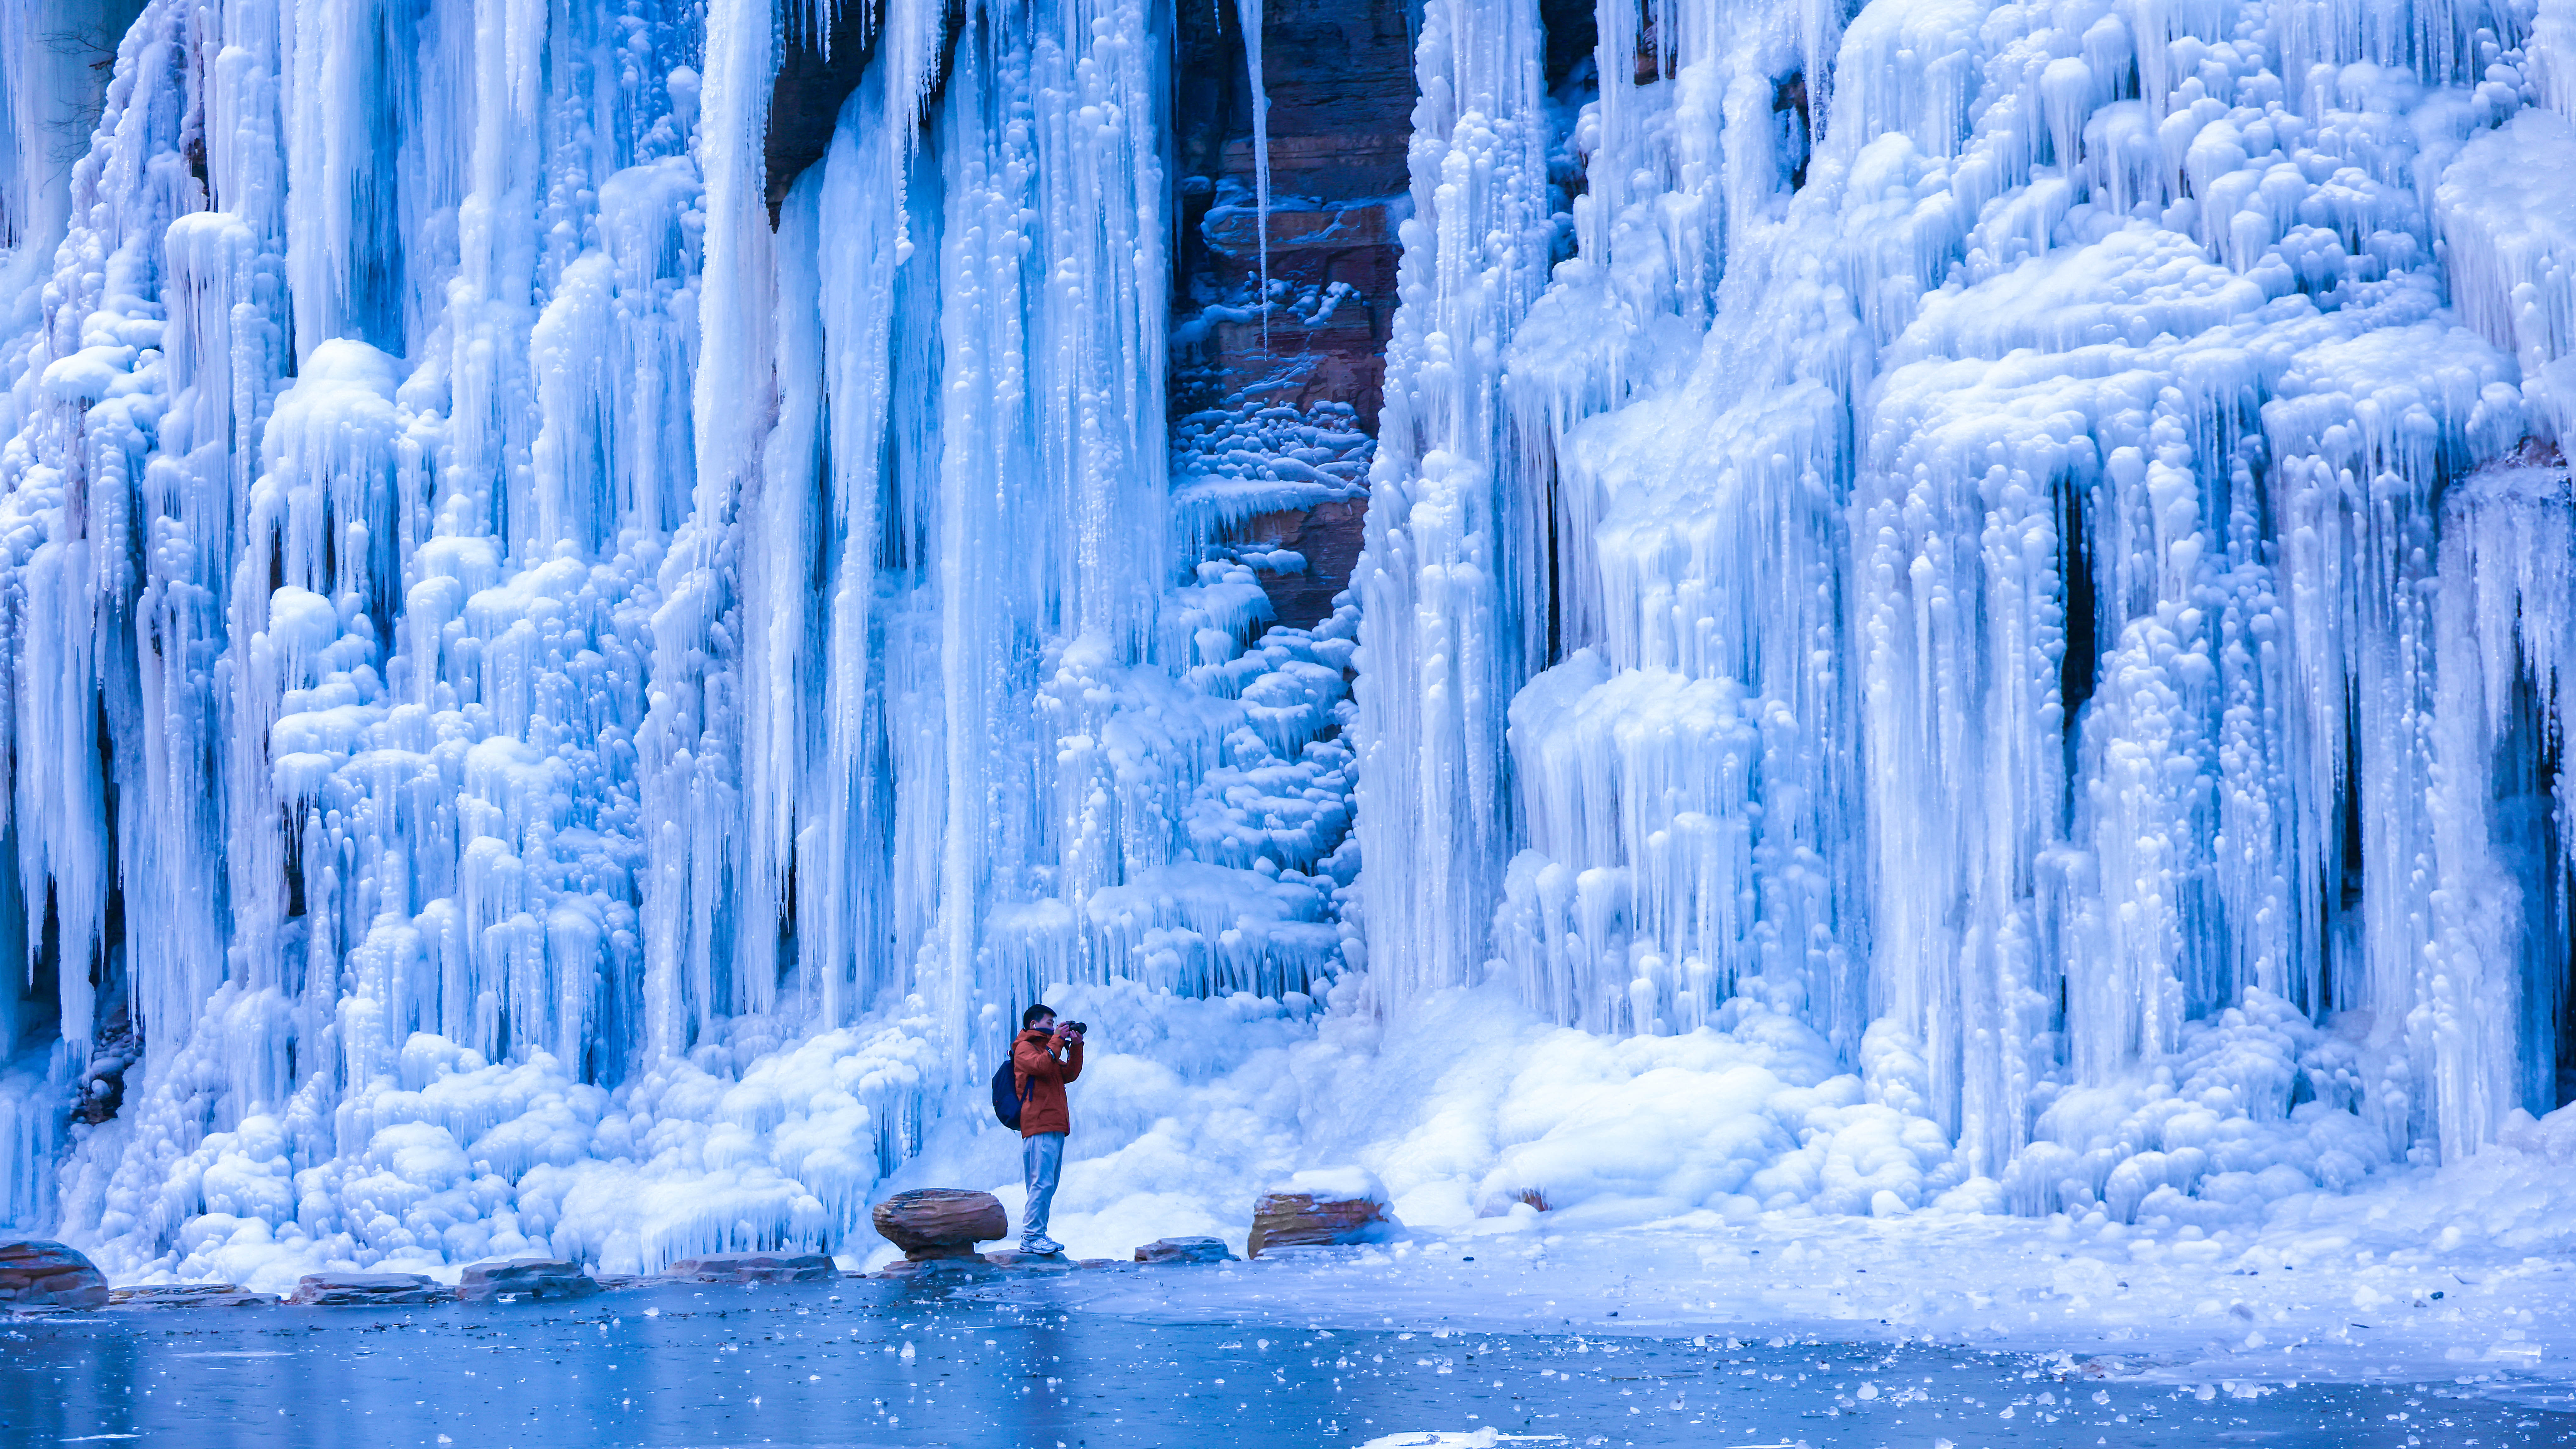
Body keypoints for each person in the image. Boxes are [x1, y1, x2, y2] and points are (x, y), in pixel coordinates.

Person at [1011, 1004, 1084, 1255]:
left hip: (1054, 1123)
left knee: (1048, 1184)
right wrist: (1056, 1042)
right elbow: (1041, 1066)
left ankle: (1036, 1235)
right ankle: (1032, 1236)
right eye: (1050, 1023)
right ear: (1034, 1025)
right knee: (1041, 1183)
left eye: (1056, 1024)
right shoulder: (1025, 1048)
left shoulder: (1047, 1050)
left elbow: (1070, 1074)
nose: (1054, 1028)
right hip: (1038, 1123)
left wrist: (1076, 1047)